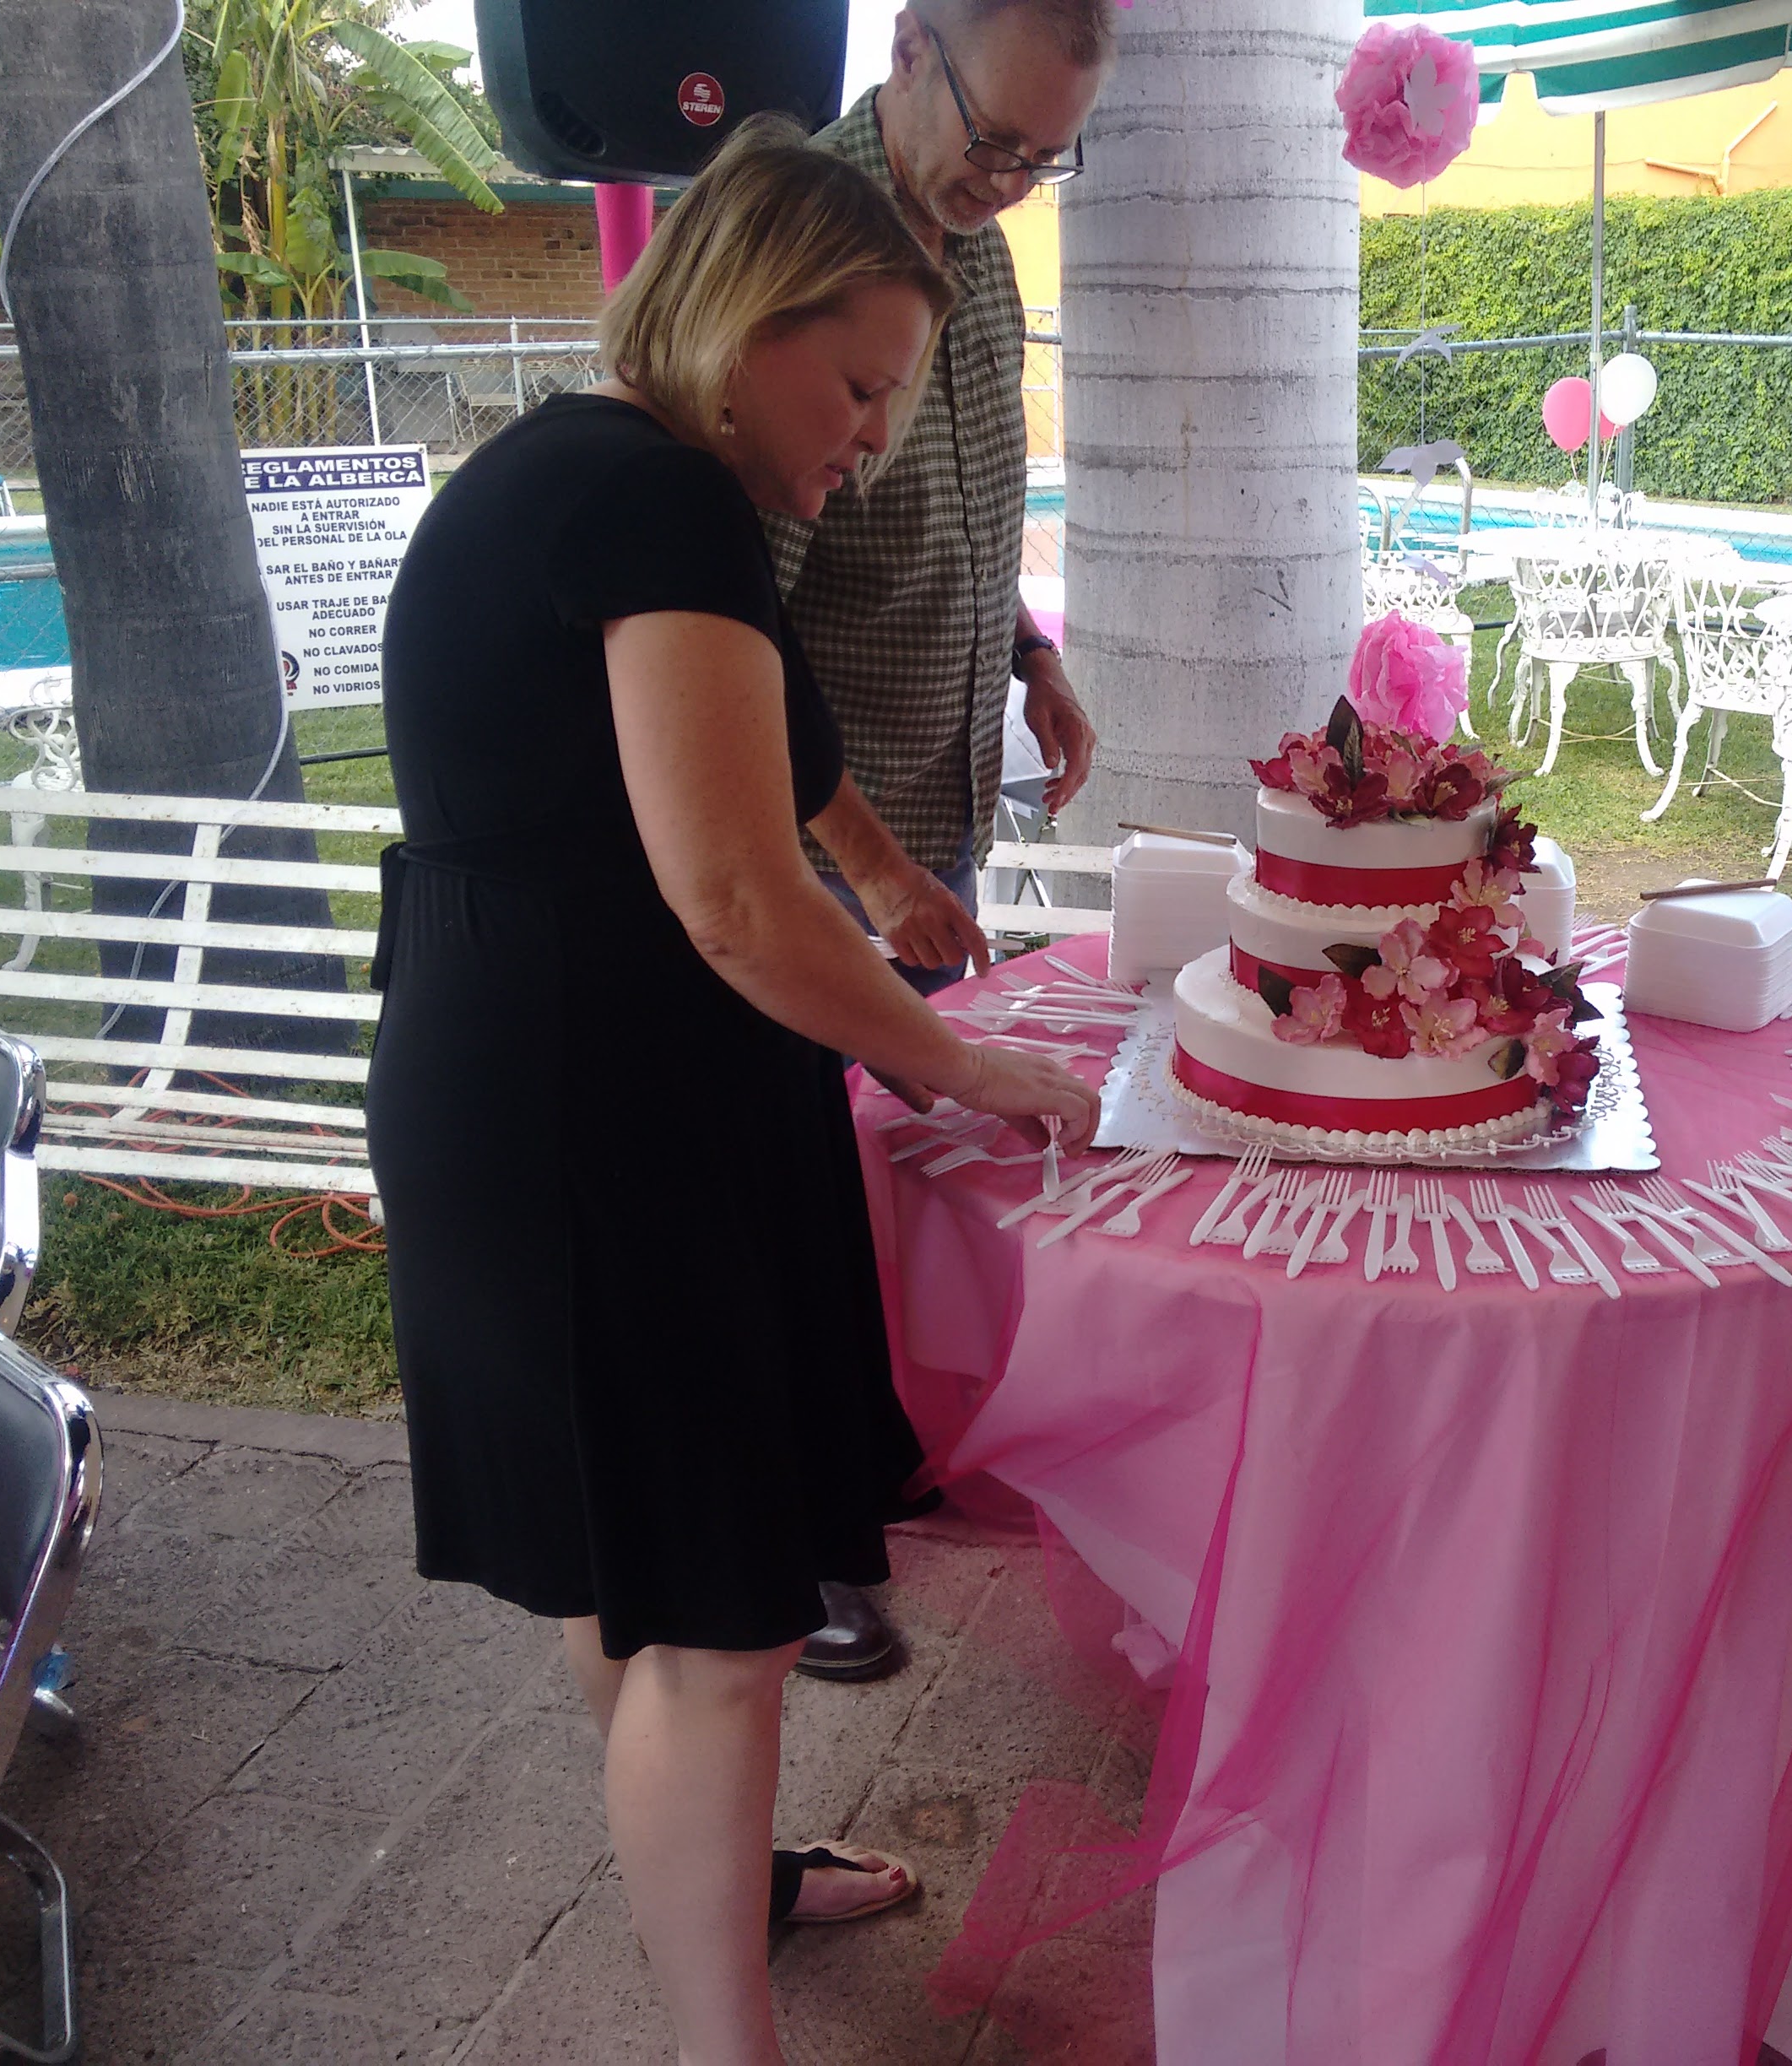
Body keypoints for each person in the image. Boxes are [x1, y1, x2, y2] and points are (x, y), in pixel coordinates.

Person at [366, 116, 1098, 2066]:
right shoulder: (662, 504)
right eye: (856, 383)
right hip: (597, 1111)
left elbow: (754, 762)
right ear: (747, 317)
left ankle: (729, 1886)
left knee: (640, 1574)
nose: (875, 432)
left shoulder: (582, 469)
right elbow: (730, 896)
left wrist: (888, 878)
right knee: (719, 1618)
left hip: (524, 1074)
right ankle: (725, 2039)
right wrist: (960, 1058)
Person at [766, 0, 1115, 1681]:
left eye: (1046, 159)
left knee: (895, 1180)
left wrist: (1032, 657)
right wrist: (868, 862)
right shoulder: (801, 251)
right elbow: (730, 629)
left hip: (933, 810)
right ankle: (792, 1544)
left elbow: (964, 509)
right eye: (993, 141)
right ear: (910, 48)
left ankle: (880, 1451)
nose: (1011, 181)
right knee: (794, 1194)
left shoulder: (975, 250)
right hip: (806, 848)